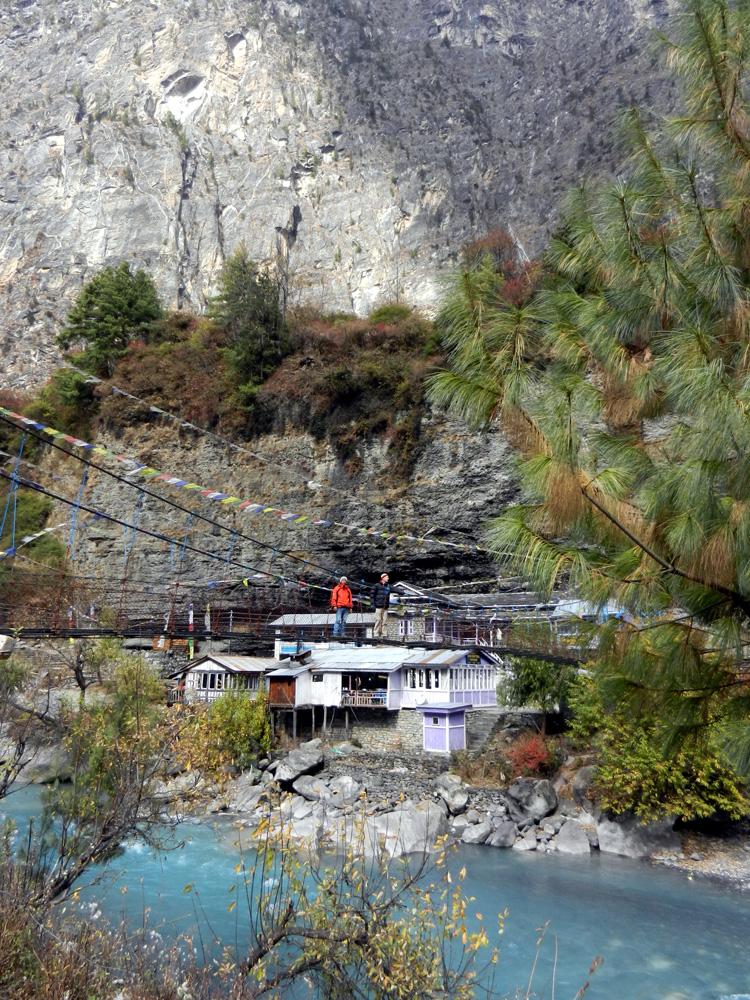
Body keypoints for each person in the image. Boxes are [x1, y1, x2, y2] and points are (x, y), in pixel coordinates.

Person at [371, 572, 403, 638]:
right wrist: (373, 604)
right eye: (387, 577)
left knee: (384, 621)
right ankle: (376, 634)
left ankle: (384, 634)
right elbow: (372, 595)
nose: (388, 578)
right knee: (378, 620)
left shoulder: (388, 586)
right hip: (378, 606)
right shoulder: (376, 586)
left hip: (385, 607)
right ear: (383, 578)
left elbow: (395, 589)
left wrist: (402, 592)